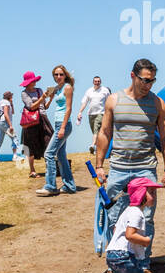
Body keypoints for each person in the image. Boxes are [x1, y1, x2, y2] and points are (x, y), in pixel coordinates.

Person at [92, 58, 165, 273]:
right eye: (144, 80)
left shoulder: (157, 103)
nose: (148, 84)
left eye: (152, 80)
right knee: (114, 218)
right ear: (133, 76)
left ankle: (143, 265)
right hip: (118, 168)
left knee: (145, 219)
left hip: (145, 169)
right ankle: (114, 268)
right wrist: (99, 165)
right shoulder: (114, 100)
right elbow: (105, 132)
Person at [102, 178, 163, 273]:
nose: (154, 196)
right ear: (141, 194)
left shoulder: (127, 211)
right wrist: (145, 241)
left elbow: (116, 230)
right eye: (151, 192)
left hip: (112, 254)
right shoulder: (137, 213)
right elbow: (130, 235)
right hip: (124, 255)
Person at [36, 64, 78, 196]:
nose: (58, 76)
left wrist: (63, 128)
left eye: (61, 74)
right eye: (56, 74)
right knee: (61, 156)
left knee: (48, 153)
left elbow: (69, 109)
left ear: (65, 75)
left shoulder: (67, 87)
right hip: (58, 124)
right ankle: (70, 186)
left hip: (64, 125)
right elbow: (47, 106)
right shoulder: (57, 89)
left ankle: (51, 186)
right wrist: (46, 98)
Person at [19, 72, 51, 178]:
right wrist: (41, 99)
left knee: (48, 141)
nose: (34, 82)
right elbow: (31, 107)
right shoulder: (24, 93)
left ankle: (49, 168)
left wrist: (50, 98)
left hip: (43, 118)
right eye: (32, 80)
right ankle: (32, 170)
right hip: (31, 121)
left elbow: (44, 106)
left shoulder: (39, 90)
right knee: (31, 145)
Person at [77, 76, 111, 155]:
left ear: (100, 82)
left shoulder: (105, 90)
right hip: (91, 114)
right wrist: (80, 112)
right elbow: (84, 102)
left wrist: (109, 113)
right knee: (96, 133)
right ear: (93, 82)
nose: (97, 82)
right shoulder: (89, 91)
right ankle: (97, 149)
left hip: (101, 113)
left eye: (99, 81)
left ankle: (92, 145)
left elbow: (109, 101)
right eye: (96, 81)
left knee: (96, 129)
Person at [0, 91, 18, 157]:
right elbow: (6, 114)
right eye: (11, 96)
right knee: (14, 137)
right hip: (5, 122)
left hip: (0, 123)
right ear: (9, 96)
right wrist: (10, 125)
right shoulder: (6, 103)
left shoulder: (2, 102)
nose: (12, 97)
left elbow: (12, 112)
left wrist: (11, 104)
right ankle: (15, 156)